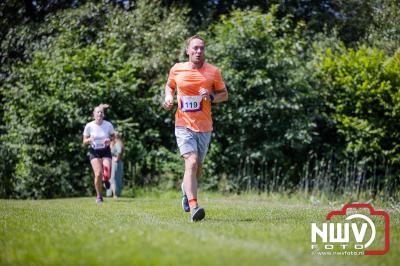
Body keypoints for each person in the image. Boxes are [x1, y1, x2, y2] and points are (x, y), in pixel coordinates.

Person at [163, 35, 228, 222]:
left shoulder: (213, 72)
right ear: (188, 51)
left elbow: (225, 94)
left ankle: (186, 190)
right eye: (195, 48)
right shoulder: (177, 69)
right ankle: (194, 206)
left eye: (202, 48)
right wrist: (169, 97)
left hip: (204, 126)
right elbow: (170, 86)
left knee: (198, 167)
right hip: (183, 124)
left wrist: (211, 97)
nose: (199, 51)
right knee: (190, 162)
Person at [83, 104, 115, 203]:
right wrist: (89, 139)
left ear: (103, 115)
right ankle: (99, 196)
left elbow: (113, 137)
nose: (100, 113)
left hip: (105, 150)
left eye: (101, 112)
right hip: (94, 151)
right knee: (98, 174)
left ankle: (106, 180)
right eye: (98, 112)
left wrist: (109, 140)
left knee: (107, 174)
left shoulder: (108, 125)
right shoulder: (89, 125)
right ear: (94, 114)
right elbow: (84, 141)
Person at [107, 131, 124, 199]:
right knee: (113, 178)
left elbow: (119, 152)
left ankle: (115, 194)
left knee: (113, 178)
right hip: (113, 162)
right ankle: (112, 194)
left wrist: (116, 158)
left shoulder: (118, 143)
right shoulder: (114, 143)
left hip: (115, 163)